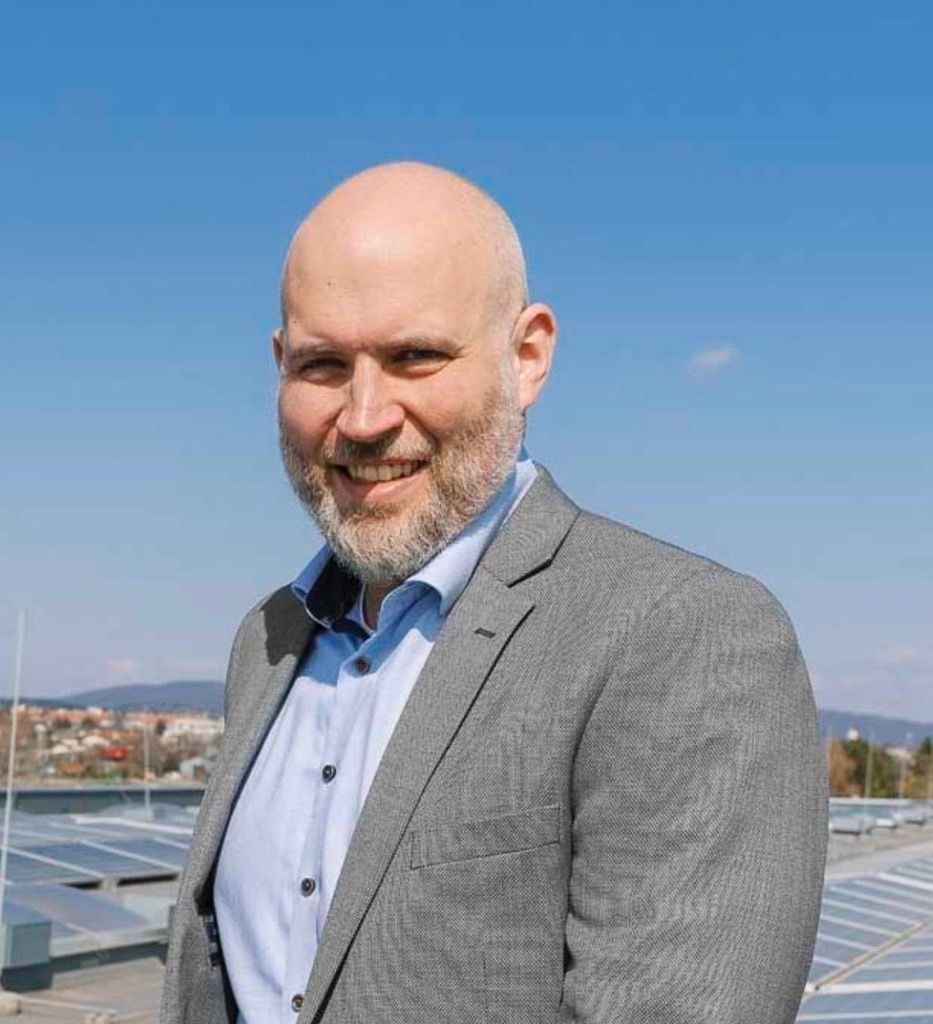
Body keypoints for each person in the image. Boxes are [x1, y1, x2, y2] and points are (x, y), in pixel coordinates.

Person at [159, 161, 827, 1024]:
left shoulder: (680, 636)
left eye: (416, 357)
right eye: (323, 365)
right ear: (279, 367)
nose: (363, 418)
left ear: (527, 355)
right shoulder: (268, 639)